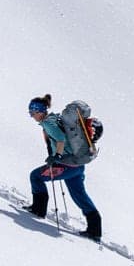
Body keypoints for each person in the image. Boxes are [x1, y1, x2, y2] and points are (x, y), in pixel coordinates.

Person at [27, 95, 103, 241]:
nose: (31, 115)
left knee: (35, 176)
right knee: (79, 195)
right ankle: (95, 229)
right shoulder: (54, 119)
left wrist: (57, 157)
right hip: (77, 166)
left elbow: (61, 139)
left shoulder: (49, 124)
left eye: (32, 112)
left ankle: (38, 210)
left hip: (66, 166)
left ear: (40, 111)